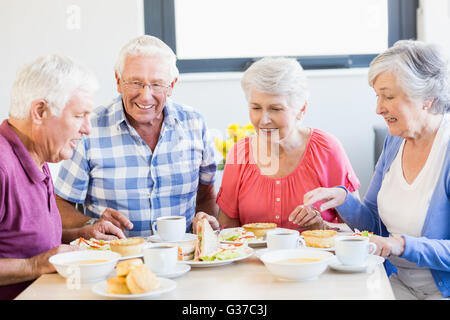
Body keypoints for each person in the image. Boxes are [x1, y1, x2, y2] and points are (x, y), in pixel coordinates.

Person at [302, 40, 450, 299]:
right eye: (377, 96)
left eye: (389, 96)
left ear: (426, 98)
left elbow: (392, 242)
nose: (378, 108)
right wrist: (343, 200)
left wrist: (400, 245)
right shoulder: (396, 140)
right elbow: (374, 224)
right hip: (397, 282)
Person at [54, 35, 218, 238]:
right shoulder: (90, 127)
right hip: (114, 259)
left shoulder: (194, 123)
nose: (146, 95)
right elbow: (59, 204)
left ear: (172, 85)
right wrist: (92, 223)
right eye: (136, 82)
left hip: (183, 258)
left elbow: (206, 196)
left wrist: (206, 225)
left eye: (157, 84)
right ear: (118, 81)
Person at [0, 54, 122, 300]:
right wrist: (33, 266)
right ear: (40, 111)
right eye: (79, 116)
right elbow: (33, 258)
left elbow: (24, 240)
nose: (87, 128)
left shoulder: (38, 155)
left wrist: (80, 233)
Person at [193, 57, 360, 233]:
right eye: (256, 108)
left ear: (301, 110)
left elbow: (359, 229)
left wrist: (323, 228)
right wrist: (212, 229)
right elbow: (228, 230)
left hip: (317, 259)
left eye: (276, 109)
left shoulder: (327, 149)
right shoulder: (240, 152)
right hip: (254, 261)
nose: (264, 120)